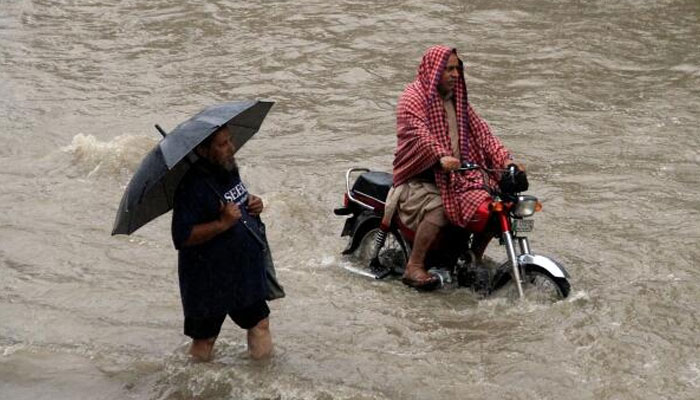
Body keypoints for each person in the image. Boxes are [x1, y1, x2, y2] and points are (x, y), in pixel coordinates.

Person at [385, 45, 524, 290]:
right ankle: (414, 266)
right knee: (440, 209)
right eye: (448, 69)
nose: (454, 74)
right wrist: (440, 156)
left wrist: (506, 161)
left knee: (494, 205)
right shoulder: (413, 97)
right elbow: (419, 135)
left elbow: (484, 134)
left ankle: (471, 258)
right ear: (434, 70)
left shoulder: (458, 101)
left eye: (457, 68)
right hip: (420, 179)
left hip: (456, 176)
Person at [171, 125, 272, 361]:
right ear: (204, 150)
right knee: (204, 340)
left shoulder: (228, 169)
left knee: (260, 324)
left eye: (230, 140)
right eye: (223, 144)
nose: (231, 148)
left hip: (241, 270)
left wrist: (254, 204)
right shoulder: (191, 186)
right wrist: (221, 224)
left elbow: (238, 201)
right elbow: (182, 236)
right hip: (207, 279)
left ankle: (262, 383)